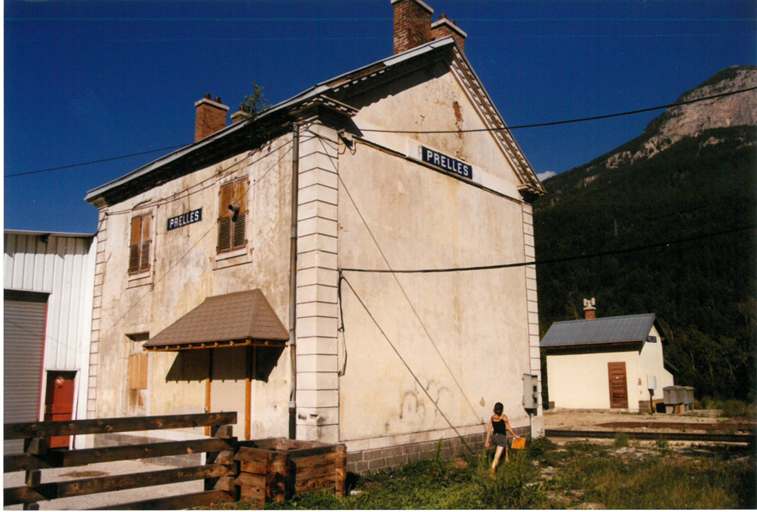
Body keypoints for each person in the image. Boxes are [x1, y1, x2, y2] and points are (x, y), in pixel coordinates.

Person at [484, 402, 521, 473]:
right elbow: (508, 427)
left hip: (494, 437)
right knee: (496, 457)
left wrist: (487, 441)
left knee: (505, 446)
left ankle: (506, 459)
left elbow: (489, 430)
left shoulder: (492, 417)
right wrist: (515, 435)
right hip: (501, 438)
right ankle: (492, 471)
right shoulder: (504, 417)